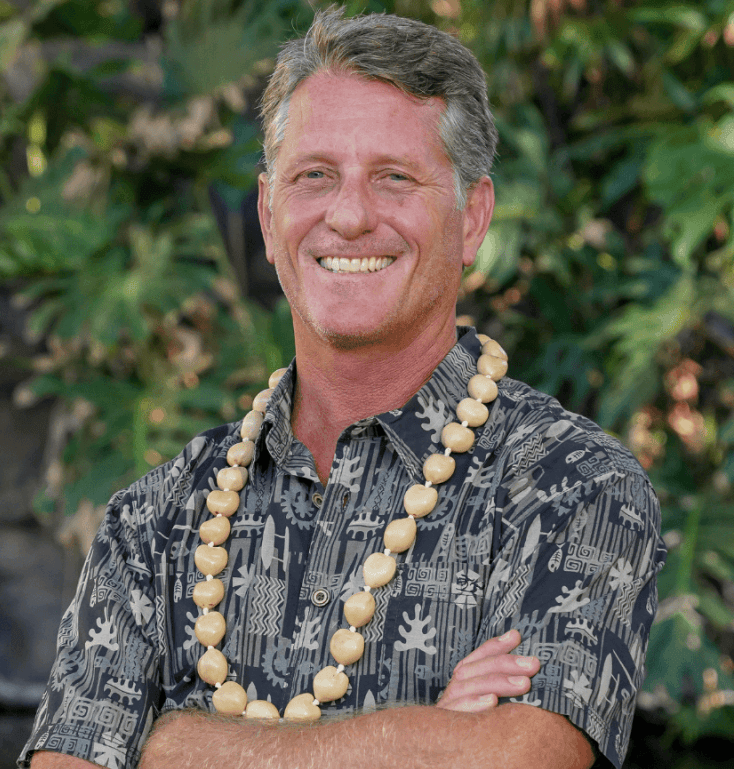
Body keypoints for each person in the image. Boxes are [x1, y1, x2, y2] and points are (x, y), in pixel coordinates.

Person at [22, 9, 665, 769]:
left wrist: (176, 744)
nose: (350, 215)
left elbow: (518, 757)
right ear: (269, 217)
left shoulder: (571, 488)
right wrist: (425, 736)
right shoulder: (156, 521)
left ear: (472, 218)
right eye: (314, 176)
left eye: (395, 178)